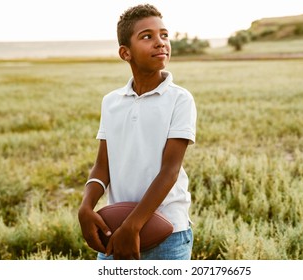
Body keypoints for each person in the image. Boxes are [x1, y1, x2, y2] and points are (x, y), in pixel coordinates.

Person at [78, 4, 197, 260]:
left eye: (164, 35)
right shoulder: (111, 101)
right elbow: (102, 166)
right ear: (125, 53)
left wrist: (134, 225)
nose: (160, 43)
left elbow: (170, 171)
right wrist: (85, 207)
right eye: (147, 36)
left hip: (168, 234)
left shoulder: (180, 99)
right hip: (116, 231)